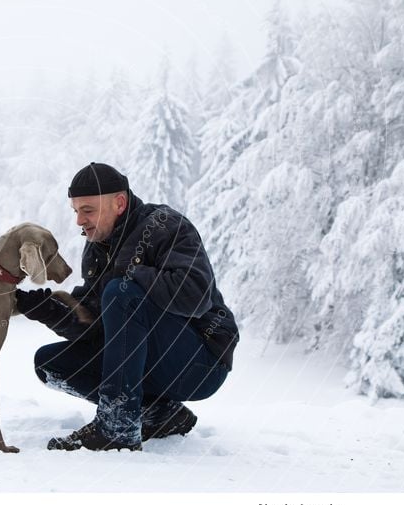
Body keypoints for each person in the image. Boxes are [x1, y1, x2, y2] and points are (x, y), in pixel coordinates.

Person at [15, 162, 239, 451]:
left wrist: (130, 271)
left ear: (119, 203)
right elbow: (98, 326)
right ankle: (158, 412)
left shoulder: (166, 226)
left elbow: (195, 296)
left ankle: (117, 426)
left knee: (121, 291)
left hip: (201, 361)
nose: (79, 221)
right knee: (51, 364)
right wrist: (48, 310)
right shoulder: (97, 249)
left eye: (88, 210)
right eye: (76, 211)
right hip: (154, 360)